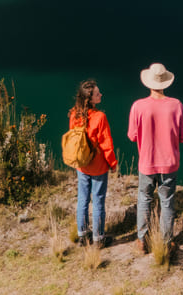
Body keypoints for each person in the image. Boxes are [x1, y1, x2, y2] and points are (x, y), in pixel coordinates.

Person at [127, 61, 183, 252]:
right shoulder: (176, 106)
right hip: (169, 163)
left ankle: (141, 241)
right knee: (167, 201)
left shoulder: (138, 106)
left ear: (148, 82)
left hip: (146, 163)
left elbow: (132, 136)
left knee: (145, 199)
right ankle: (166, 242)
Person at [69, 79, 118, 247]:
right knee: (98, 201)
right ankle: (98, 238)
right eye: (97, 94)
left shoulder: (74, 114)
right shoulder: (100, 117)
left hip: (81, 164)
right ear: (90, 99)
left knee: (82, 198)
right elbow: (106, 144)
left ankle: (82, 235)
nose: (101, 95)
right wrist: (113, 164)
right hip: (97, 167)